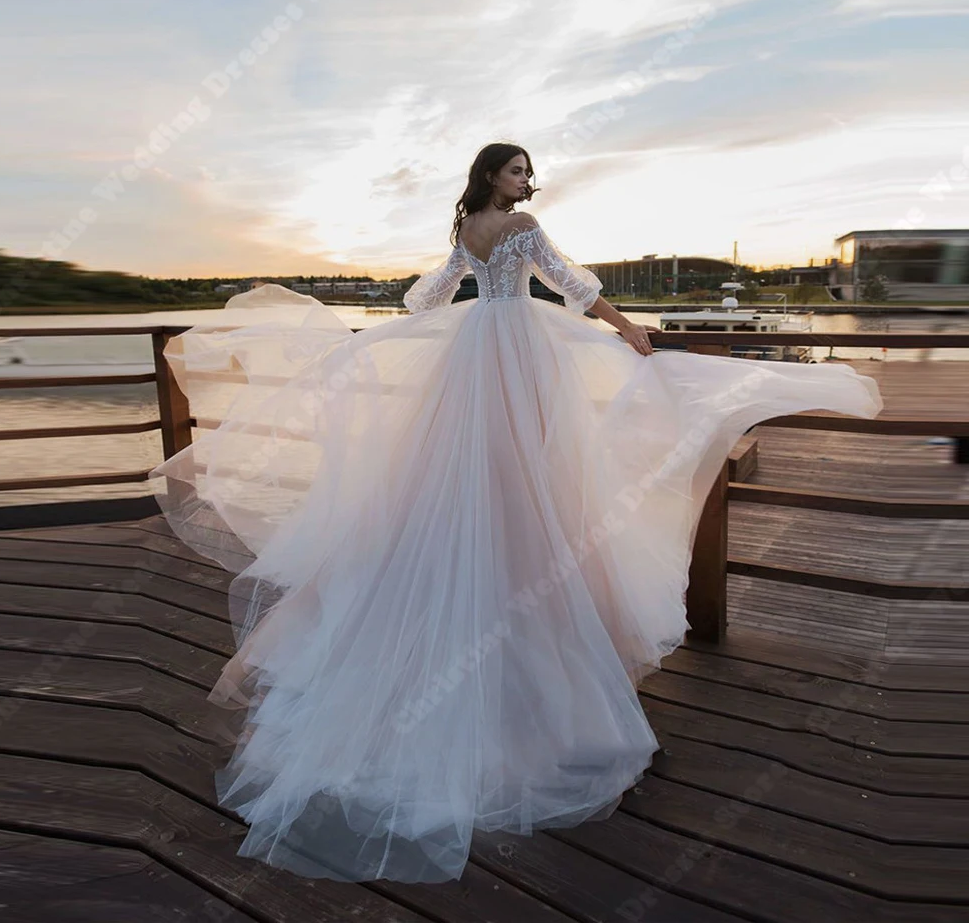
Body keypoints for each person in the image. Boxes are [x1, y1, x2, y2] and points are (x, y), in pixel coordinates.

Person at [150, 142, 884, 884]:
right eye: (516, 170)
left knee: (465, 470)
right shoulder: (523, 226)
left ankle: (471, 586)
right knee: (534, 468)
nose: (526, 181)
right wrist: (627, 330)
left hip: (472, 355)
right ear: (492, 175)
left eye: (527, 172)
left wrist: (459, 300)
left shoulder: (467, 225)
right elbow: (569, 286)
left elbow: (423, 301)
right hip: (521, 350)